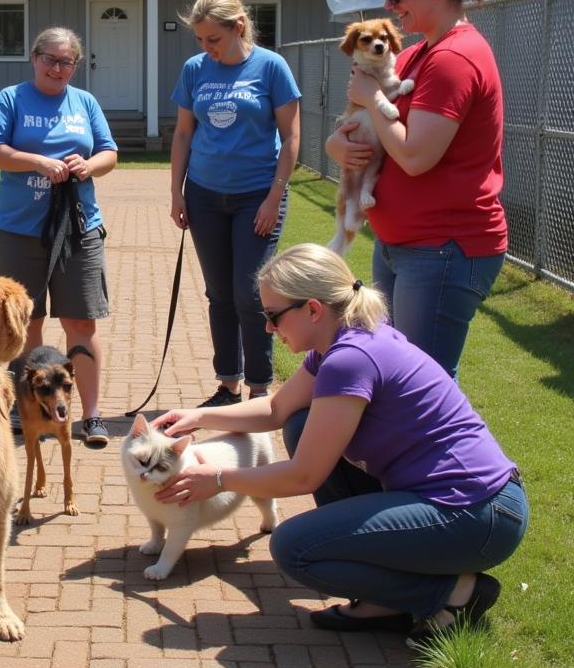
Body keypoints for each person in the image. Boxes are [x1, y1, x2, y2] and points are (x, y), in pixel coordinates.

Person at [151, 243, 528, 643]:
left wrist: (220, 480)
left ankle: (452, 595)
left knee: (295, 548)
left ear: (312, 310)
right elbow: (278, 408)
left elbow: (304, 477)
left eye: (273, 315)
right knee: (298, 423)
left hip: (476, 514)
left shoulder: (350, 358)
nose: (267, 328)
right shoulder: (342, 341)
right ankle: (387, 599)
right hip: (467, 504)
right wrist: (199, 416)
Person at [326, 0, 506, 381]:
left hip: (443, 248)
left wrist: (368, 97)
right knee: (395, 377)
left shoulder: (453, 59)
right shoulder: (415, 54)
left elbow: (415, 156)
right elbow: (358, 128)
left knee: (421, 388)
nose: (389, 5)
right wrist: (338, 146)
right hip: (402, 245)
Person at [0, 27, 118, 447]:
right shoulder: (11, 99)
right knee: (26, 323)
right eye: (50, 60)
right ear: (34, 58)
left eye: (66, 62)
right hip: (19, 229)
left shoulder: (84, 103)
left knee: (81, 322)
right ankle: (27, 410)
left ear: (76, 65)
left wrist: (88, 166)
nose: (58, 69)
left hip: (78, 229)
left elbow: (109, 152)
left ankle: (91, 416)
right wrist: (37, 162)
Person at [170, 0, 301, 408]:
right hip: (205, 195)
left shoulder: (271, 67)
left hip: (256, 196)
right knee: (219, 293)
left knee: (252, 293)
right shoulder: (195, 69)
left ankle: (260, 388)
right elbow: (184, 133)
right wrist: (177, 191)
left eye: (214, 39)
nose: (206, 49)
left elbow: (292, 135)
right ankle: (228, 385)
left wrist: (274, 197)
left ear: (238, 27)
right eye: (200, 40)